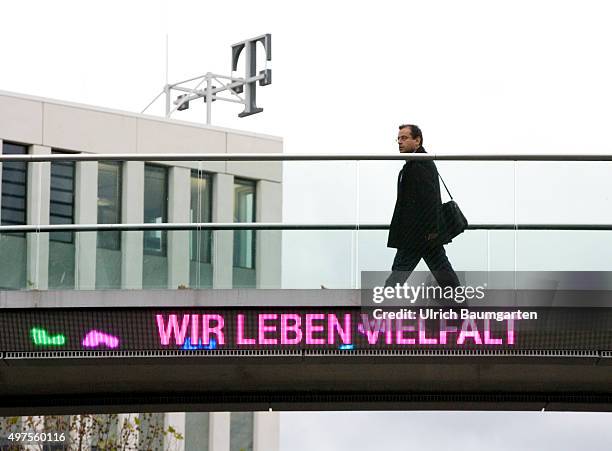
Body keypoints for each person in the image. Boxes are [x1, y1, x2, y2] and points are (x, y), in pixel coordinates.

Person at [384, 124, 460, 289]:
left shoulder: (419, 165)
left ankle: (375, 308)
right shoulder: (417, 163)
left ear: (417, 140)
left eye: (404, 138)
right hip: (423, 234)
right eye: (398, 138)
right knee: (444, 273)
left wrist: (431, 232)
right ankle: (462, 308)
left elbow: (429, 200)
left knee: (398, 275)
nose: (399, 142)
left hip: (418, 235)